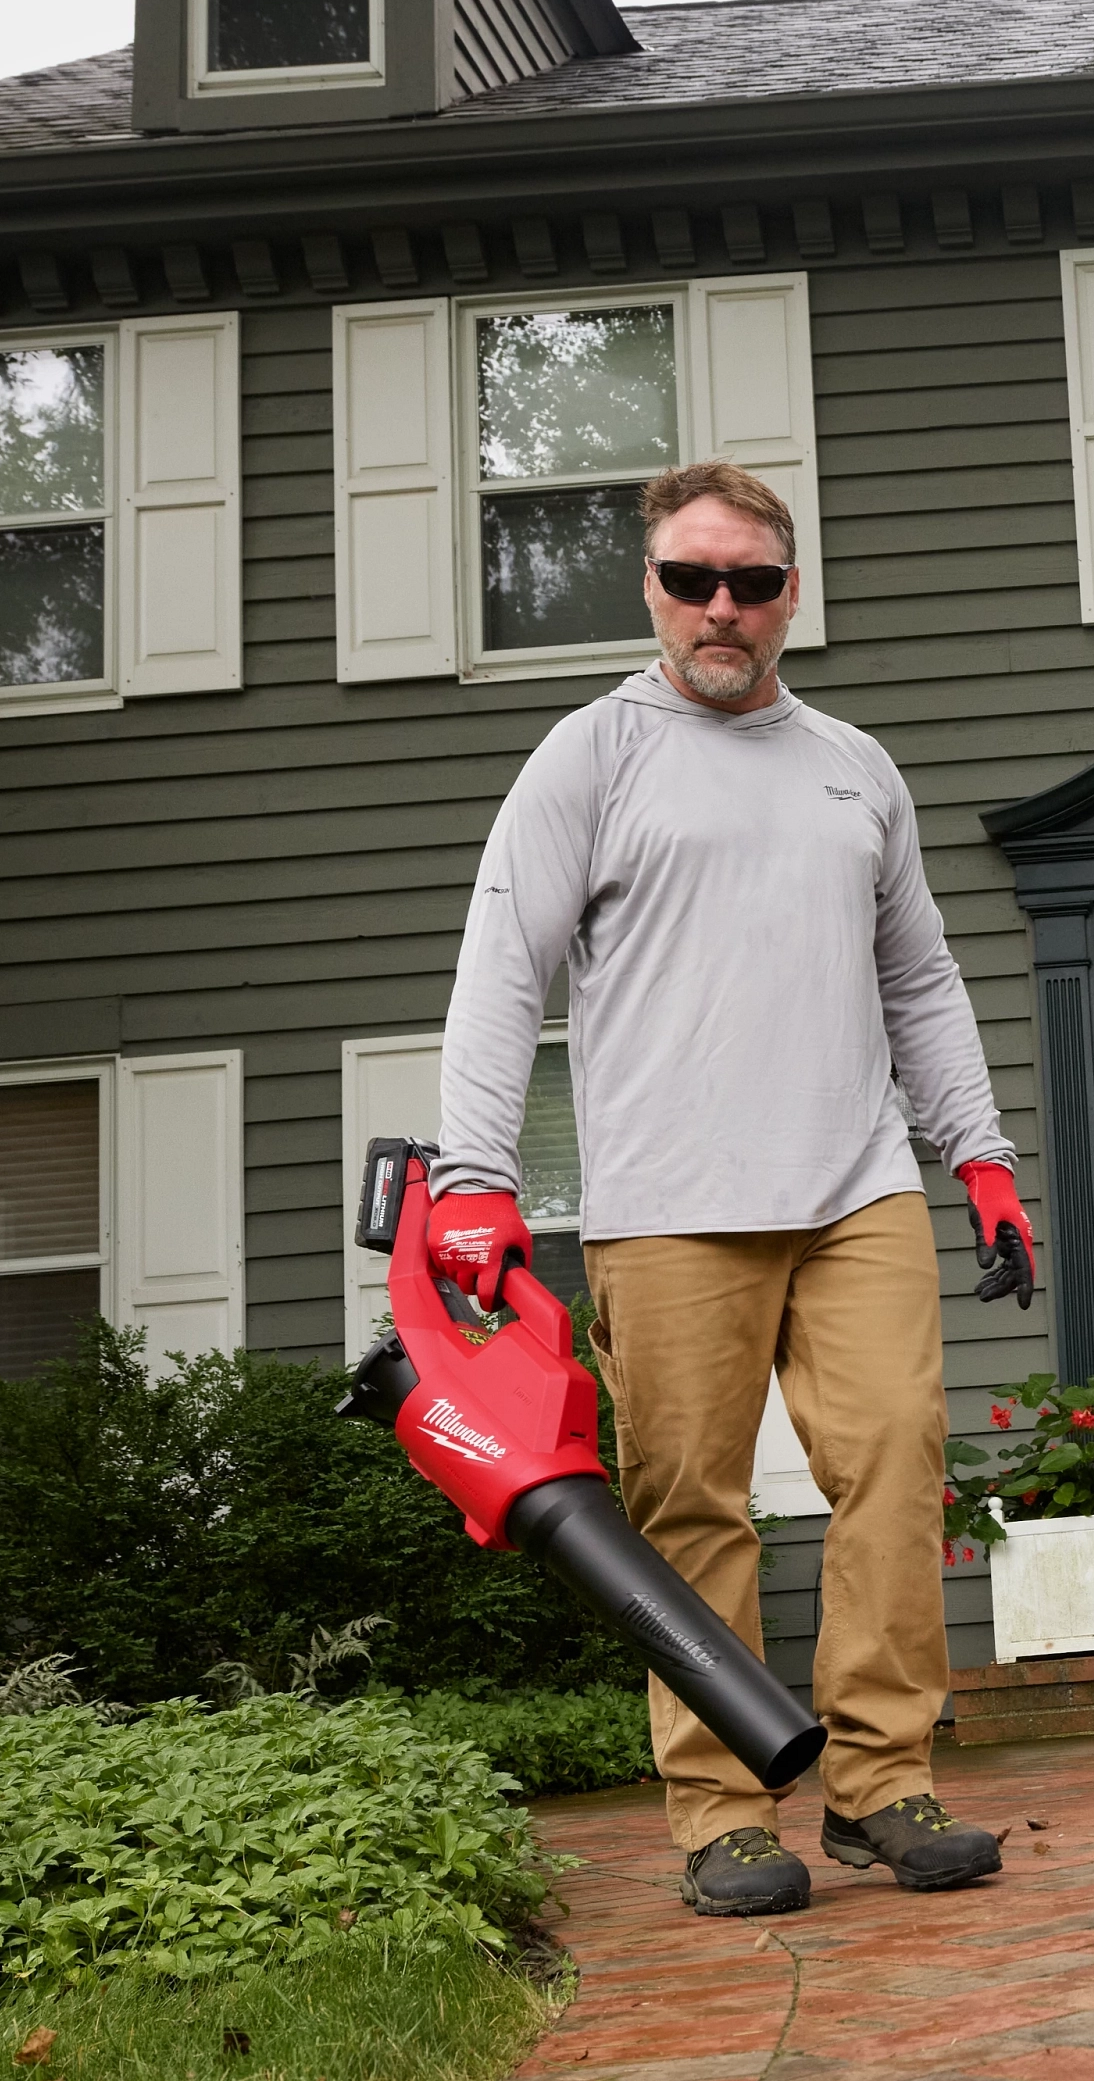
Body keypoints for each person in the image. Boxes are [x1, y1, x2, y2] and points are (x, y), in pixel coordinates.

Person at [426, 458, 1039, 1919]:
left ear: (790, 596)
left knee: (896, 1456)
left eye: (750, 583)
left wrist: (985, 1154)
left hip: (854, 1186)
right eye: (692, 580)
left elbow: (923, 982)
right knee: (687, 1504)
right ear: (651, 590)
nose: (721, 608)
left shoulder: (854, 769)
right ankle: (719, 1813)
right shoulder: (592, 756)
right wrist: (472, 1177)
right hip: (669, 1200)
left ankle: (884, 1785)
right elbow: (503, 971)